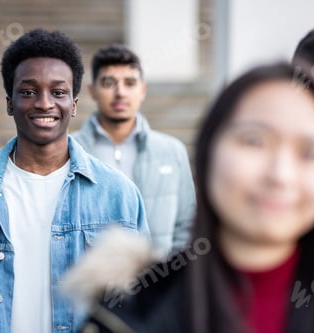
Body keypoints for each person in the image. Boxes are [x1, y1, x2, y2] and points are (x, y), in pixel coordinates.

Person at [66, 62, 314, 333]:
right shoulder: (127, 313)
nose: (280, 175)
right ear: (208, 152)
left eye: (308, 153)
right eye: (254, 141)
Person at [0, 29, 149, 333]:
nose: (43, 103)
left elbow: (142, 307)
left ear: (74, 104)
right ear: (10, 102)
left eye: (58, 92)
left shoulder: (119, 195)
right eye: (28, 92)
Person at [73, 44, 196, 256]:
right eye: (108, 83)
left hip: (157, 282)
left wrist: (168, 280)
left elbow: (187, 225)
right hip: (90, 283)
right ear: (92, 91)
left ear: (142, 90)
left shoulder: (172, 151)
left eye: (129, 83)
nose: (120, 92)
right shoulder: (71, 151)